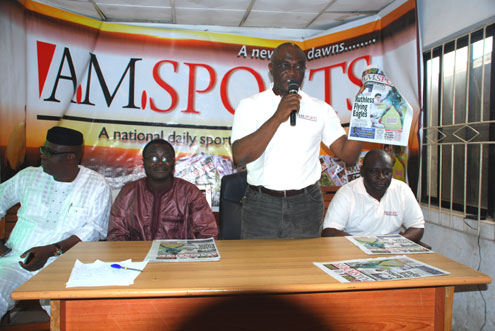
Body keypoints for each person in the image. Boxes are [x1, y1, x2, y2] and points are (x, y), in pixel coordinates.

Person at [231, 42, 362, 239]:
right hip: (262, 204)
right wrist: (278, 116)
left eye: (299, 67)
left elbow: (348, 155)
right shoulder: (250, 106)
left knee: (305, 266)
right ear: (271, 69)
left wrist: (363, 116)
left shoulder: (320, 108)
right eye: (285, 65)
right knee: (258, 266)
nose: (292, 72)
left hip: (306, 204)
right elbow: (240, 156)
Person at [0, 126, 111, 318]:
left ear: (71, 157)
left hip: (64, 263)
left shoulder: (96, 184)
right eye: (44, 149)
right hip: (17, 259)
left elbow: (95, 231)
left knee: (72, 317)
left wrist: (51, 250)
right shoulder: (28, 176)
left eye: (50, 152)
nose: (43, 156)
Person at [107, 139, 218, 241]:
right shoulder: (128, 192)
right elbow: (116, 233)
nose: (160, 163)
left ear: (173, 162)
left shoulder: (190, 192)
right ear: (144, 162)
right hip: (137, 258)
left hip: (179, 258)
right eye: (153, 158)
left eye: (166, 158)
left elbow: (207, 233)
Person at [321, 149, 424, 243]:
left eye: (387, 172)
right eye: (374, 171)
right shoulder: (347, 193)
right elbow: (330, 231)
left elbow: (417, 227)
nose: (381, 177)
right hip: (354, 248)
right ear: (362, 172)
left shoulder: (402, 190)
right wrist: (365, 244)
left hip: (392, 250)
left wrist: (397, 243)